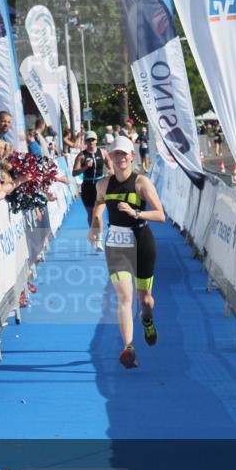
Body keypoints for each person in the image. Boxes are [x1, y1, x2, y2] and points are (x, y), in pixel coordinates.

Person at [87, 136, 166, 370]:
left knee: (145, 300)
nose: (120, 158)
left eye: (124, 154)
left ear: (132, 156)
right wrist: (96, 221)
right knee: (124, 297)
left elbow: (161, 215)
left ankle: (148, 319)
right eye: (116, 154)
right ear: (110, 157)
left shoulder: (141, 183)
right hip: (117, 243)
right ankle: (129, 348)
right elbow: (100, 202)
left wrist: (136, 213)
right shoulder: (102, 185)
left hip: (142, 240)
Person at [73, 131, 111, 223]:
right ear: (85, 142)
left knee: (98, 214)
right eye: (88, 140)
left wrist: (110, 171)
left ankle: (99, 235)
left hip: (100, 186)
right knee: (91, 214)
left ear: (96, 140)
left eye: (93, 139)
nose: (91, 142)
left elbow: (110, 165)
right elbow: (74, 173)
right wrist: (85, 167)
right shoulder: (81, 155)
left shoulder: (103, 152)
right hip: (87, 186)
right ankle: (94, 234)